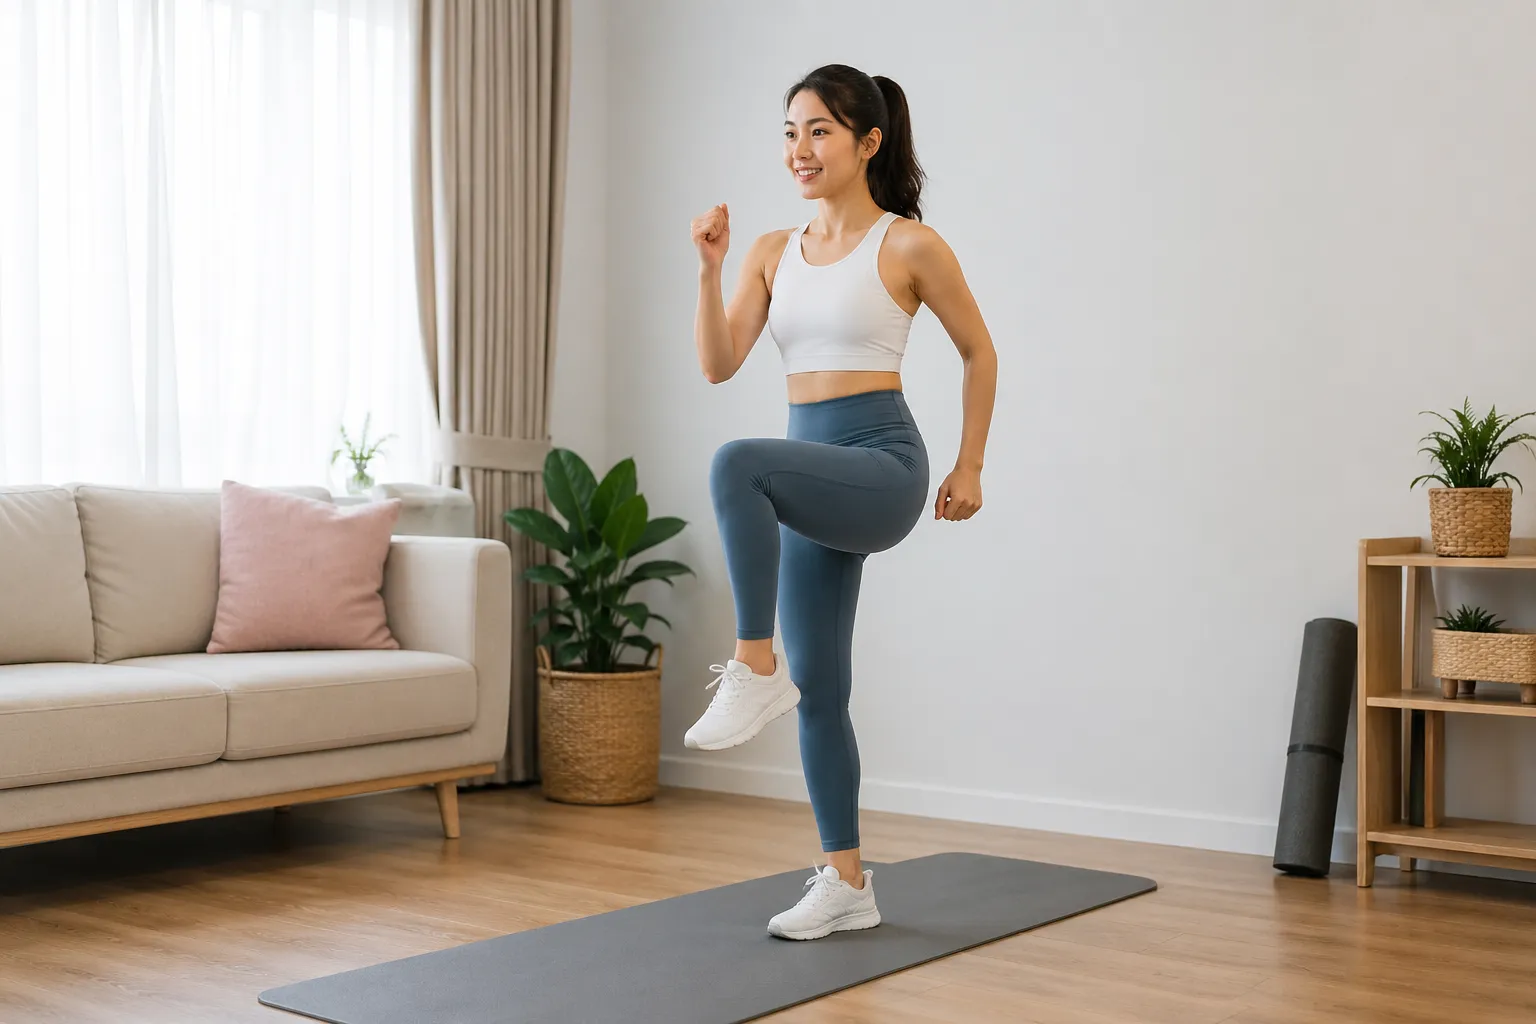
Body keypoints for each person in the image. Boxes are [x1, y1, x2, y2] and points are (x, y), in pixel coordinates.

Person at [686, 64, 998, 940]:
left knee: (736, 462)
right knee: (822, 691)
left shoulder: (908, 245)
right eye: (790, 131)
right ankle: (847, 882)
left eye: (819, 131)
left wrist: (969, 466)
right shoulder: (771, 251)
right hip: (809, 478)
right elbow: (718, 364)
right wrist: (709, 272)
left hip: (881, 465)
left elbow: (981, 353)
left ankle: (753, 664)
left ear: (869, 142)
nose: (800, 149)